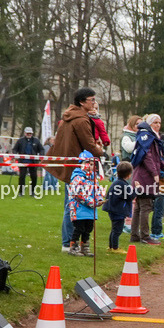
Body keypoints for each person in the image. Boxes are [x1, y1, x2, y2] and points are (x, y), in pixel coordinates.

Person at [44, 88, 106, 252]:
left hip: (71, 164)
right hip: (76, 166)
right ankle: (68, 244)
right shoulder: (80, 120)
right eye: (91, 100)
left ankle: (71, 243)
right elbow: (89, 144)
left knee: (71, 204)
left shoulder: (70, 116)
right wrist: (101, 151)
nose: (94, 103)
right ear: (82, 102)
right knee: (72, 205)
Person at [129, 115, 164, 246]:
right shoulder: (147, 137)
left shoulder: (152, 136)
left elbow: (157, 158)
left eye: (159, 122)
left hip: (142, 176)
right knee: (145, 206)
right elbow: (147, 156)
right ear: (149, 123)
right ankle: (145, 235)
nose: (158, 125)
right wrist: (155, 173)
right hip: (144, 177)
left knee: (139, 207)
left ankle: (134, 235)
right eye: (155, 122)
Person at [67, 151, 101, 256]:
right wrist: (91, 202)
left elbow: (97, 190)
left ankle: (85, 247)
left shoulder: (93, 178)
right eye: (88, 163)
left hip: (90, 209)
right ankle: (74, 247)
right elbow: (78, 193)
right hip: (79, 209)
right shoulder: (77, 176)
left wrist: (99, 199)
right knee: (79, 228)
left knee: (88, 228)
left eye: (92, 164)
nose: (90, 166)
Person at [105, 161, 135, 254]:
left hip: (113, 209)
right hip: (118, 210)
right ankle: (115, 247)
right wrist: (137, 189)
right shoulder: (122, 184)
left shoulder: (117, 183)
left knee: (114, 229)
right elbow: (130, 196)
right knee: (117, 230)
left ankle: (111, 246)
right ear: (129, 175)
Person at [13, 127, 43, 197]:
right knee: (22, 176)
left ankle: (32, 191)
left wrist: (41, 156)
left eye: (30, 133)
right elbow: (15, 149)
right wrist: (15, 156)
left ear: (32, 133)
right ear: (25, 133)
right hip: (23, 161)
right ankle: (21, 192)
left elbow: (41, 149)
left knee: (34, 177)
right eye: (27, 133)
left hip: (33, 162)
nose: (29, 134)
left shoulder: (36, 141)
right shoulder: (20, 141)